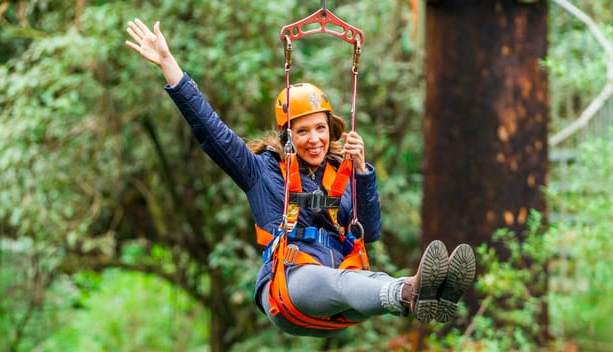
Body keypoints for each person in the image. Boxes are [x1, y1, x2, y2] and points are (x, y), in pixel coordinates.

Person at [125, 18, 476, 337]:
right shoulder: (260, 171)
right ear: (286, 135)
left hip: (338, 294)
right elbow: (211, 129)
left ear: (331, 130)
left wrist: (362, 173)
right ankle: (412, 290)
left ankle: (432, 295)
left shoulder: (340, 175)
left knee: (355, 279)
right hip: (290, 287)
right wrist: (169, 65)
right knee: (341, 281)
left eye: (321, 129)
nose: (315, 139)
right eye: (303, 131)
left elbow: (370, 232)